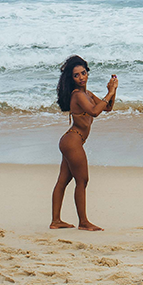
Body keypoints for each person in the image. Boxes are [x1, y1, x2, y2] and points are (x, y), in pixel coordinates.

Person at [50, 55, 117, 232]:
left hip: (70, 140)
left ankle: (56, 221)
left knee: (63, 180)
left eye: (83, 73)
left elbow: (107, 107)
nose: (81, 78)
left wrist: (112, 90)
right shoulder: (78, 95)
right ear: (71, 79)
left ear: (87, 73)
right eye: (76, 75)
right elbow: (95, 112)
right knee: (82, 180)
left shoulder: (87, 94)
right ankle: (84, 222)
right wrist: (109, 93)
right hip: (73, 141)